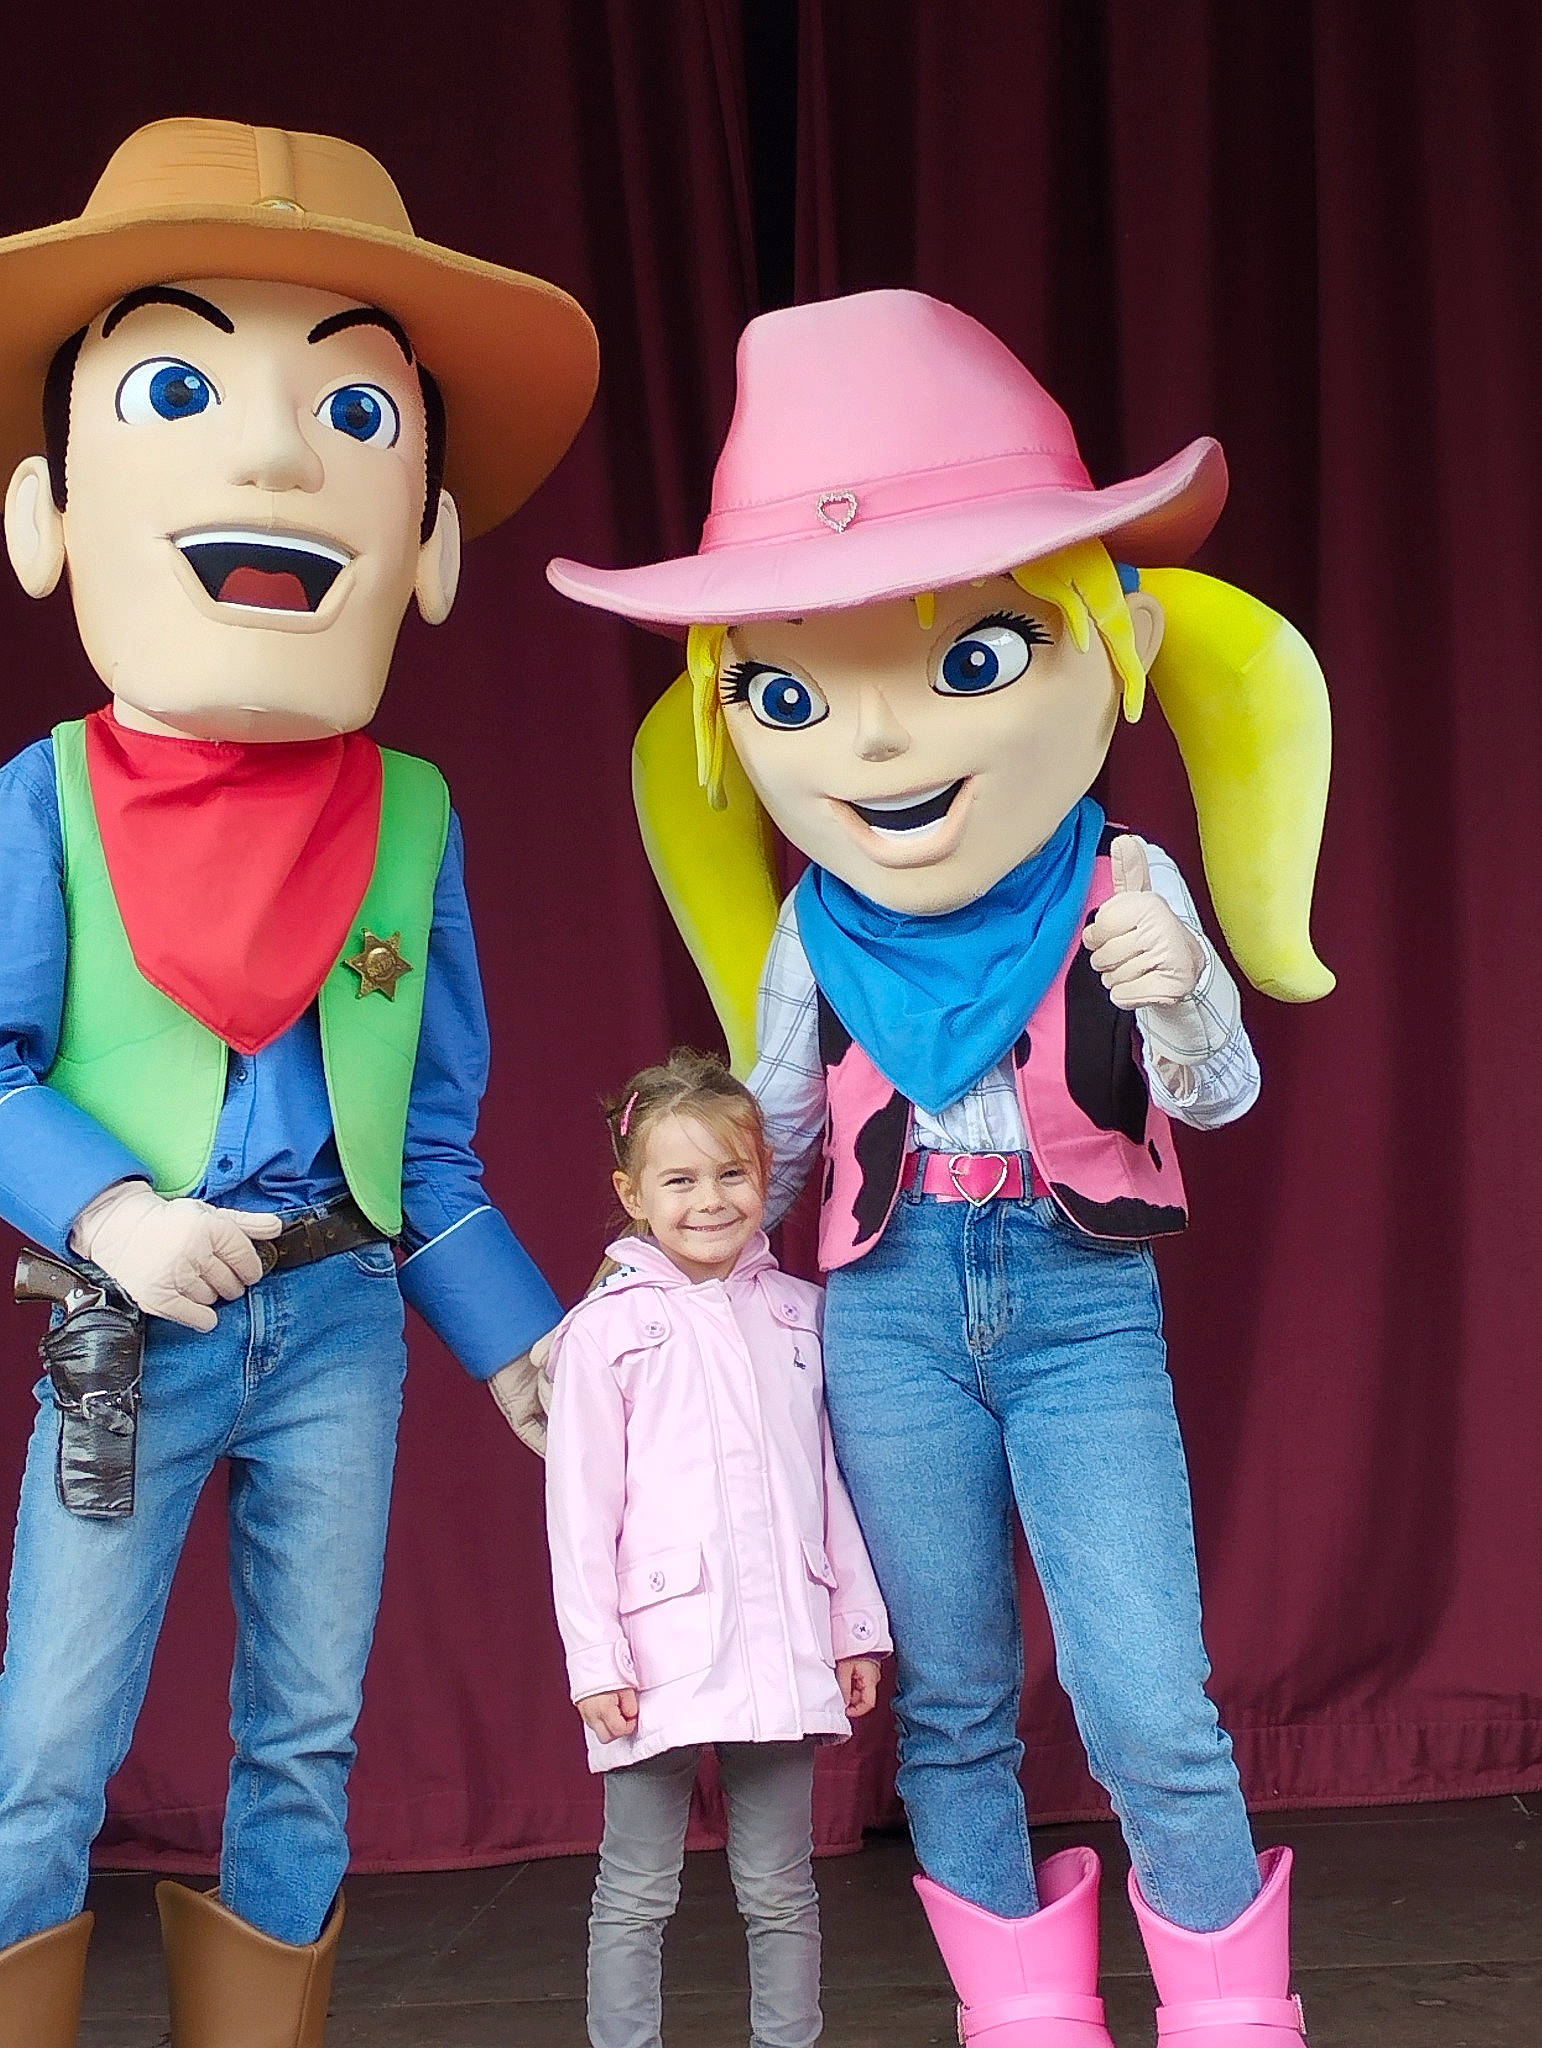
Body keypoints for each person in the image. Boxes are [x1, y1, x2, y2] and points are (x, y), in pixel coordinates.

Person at [545, 290, 1331, 2045]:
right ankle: (1025, 2023)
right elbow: (773, 1148)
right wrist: (647, 1288)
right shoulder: (815, 937)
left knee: (1149, 1701)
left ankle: (1231, 2021)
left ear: (1095, 644)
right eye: (803, 688)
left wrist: (1180, 986)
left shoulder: (1123, 875)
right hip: (887, 1314)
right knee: (955, 1706)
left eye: (966, 657)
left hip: (1076, 1299)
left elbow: (1218, 1089)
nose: (885, 739)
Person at [0, 117, 596, 2046]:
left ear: (420, 543)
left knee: (306, 1738)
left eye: (344, 416)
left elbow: (425, 1133)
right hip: (132, 1324)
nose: (268, 455)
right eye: (180, 392)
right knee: (48, 1743)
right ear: (47, 514)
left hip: (336, 1317)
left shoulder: (411, 815)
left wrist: (516, 1340)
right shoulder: (43, 803)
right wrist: (113, 1212)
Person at [543, 1049, 891, 2048]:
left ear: (766, 1174)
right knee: (638, 1886)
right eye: (680, 1179)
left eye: (732, 1173)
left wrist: (853, 1623)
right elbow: (579, 1516)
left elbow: (831, 1483)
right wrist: (596, 1660)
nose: (709, 1200)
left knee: (781, 1885)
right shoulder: (603, 1335)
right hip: (656, 1654)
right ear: (632, 1192)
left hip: (782, 1634)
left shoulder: (799, 1316)